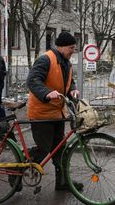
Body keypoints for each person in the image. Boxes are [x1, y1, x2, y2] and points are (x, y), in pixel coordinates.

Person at [26, 31, 82, 191]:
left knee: (60, 150)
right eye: (71, 47)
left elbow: (69, 82)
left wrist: (72, 90)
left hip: (58, 113)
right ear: (62, 47)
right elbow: (33, 80)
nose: (73, 50)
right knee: (44, 148)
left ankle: (63, 182)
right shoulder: (45, 59)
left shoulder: (66, 62)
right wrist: (46, 93)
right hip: (42, 113)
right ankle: (16, 172)